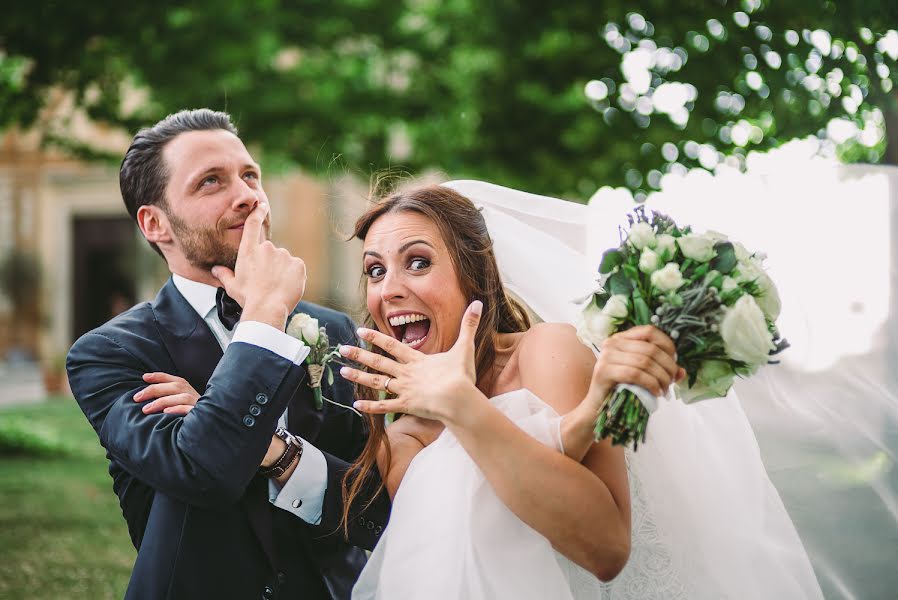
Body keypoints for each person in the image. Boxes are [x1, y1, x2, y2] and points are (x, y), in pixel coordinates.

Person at [337, 182, 824, 599]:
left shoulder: (545, 352)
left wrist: (462, 408)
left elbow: (604, 546)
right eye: (375, 270)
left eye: (417, 262)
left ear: (473, 273)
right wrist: (585, 410)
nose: (389, 290)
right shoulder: (405, 433)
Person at [66, 109, 389, 600]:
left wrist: (277, 453)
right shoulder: (109, 354)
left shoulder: (330, 329)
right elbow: (202, 471)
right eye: (211, 182)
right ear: (155, 223)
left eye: (250, 175)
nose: (248, 196)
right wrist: (264, 319)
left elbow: (378, 508)